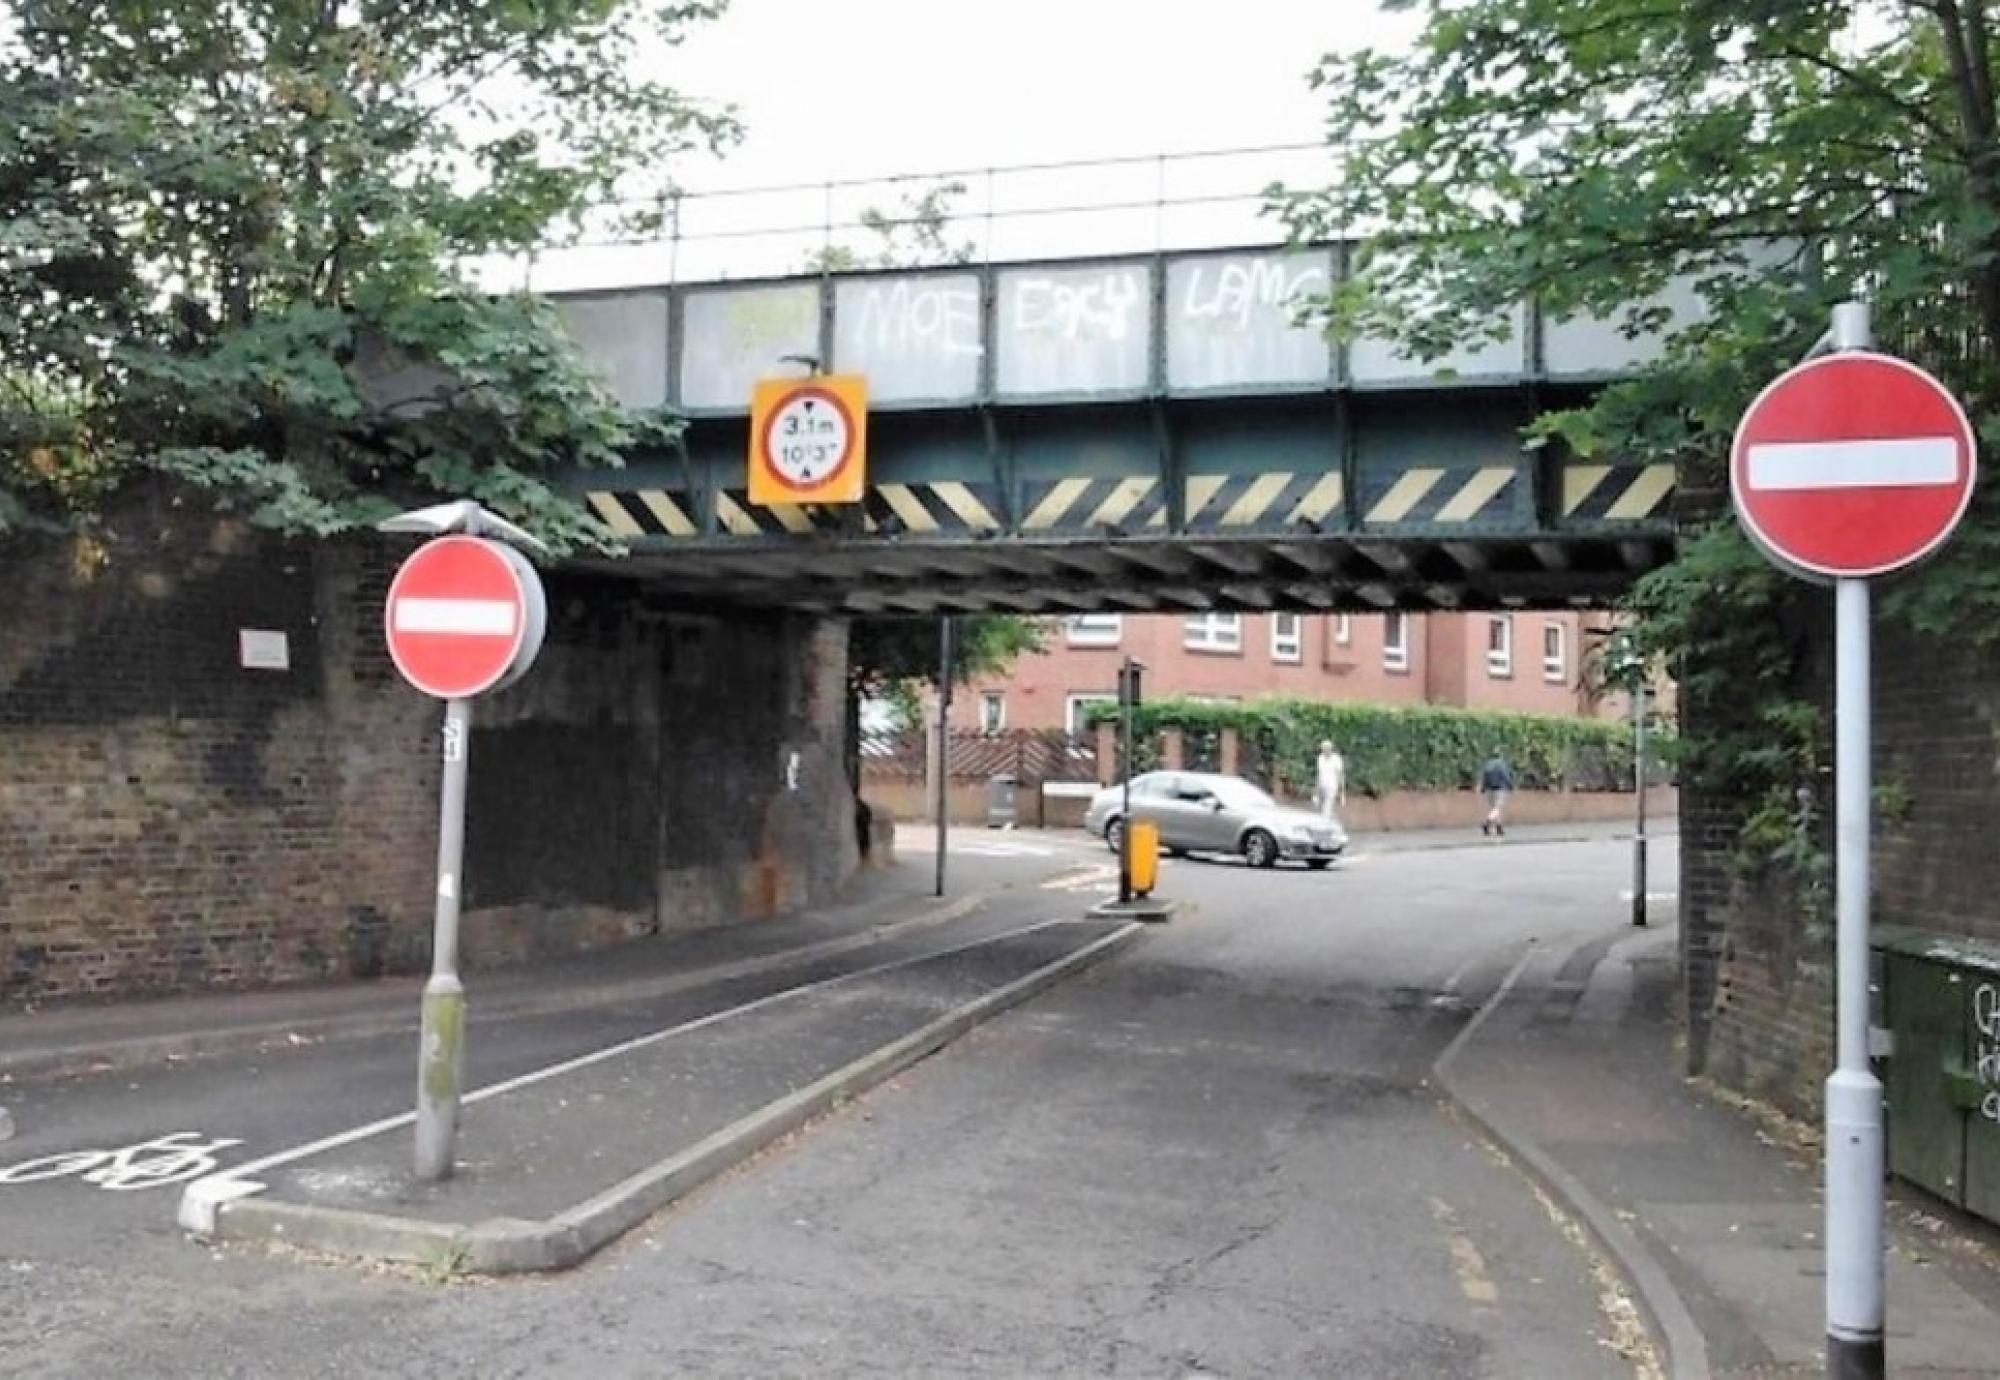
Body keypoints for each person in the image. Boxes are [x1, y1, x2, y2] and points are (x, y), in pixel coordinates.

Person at [1479, 752, 1515, 836]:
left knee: (1494, 809)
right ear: (1500, 756)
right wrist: (1510, 786)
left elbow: (1484, 777)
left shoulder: (1488, 765)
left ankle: (1499, 828)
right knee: (1497, 808)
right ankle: (1487, 823)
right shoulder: (1501, 764)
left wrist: (1483, 788)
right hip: (1500, 789)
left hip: (1490, 789)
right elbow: (1506, 776)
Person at [1314, 739, 1346, 822]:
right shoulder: (1320, 758)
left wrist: (1342, 793)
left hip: (1332, 786)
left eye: (1327, 749)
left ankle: (1323, 825)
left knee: (1327, 808)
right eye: (1323, 749)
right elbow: (1319, 774)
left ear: (1330, 749)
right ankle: (1334, 822)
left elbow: (1340, 775)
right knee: (1321, 808)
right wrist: (1316, 791)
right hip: (1322, 786)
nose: (1325, 750)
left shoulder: (1336, 759)